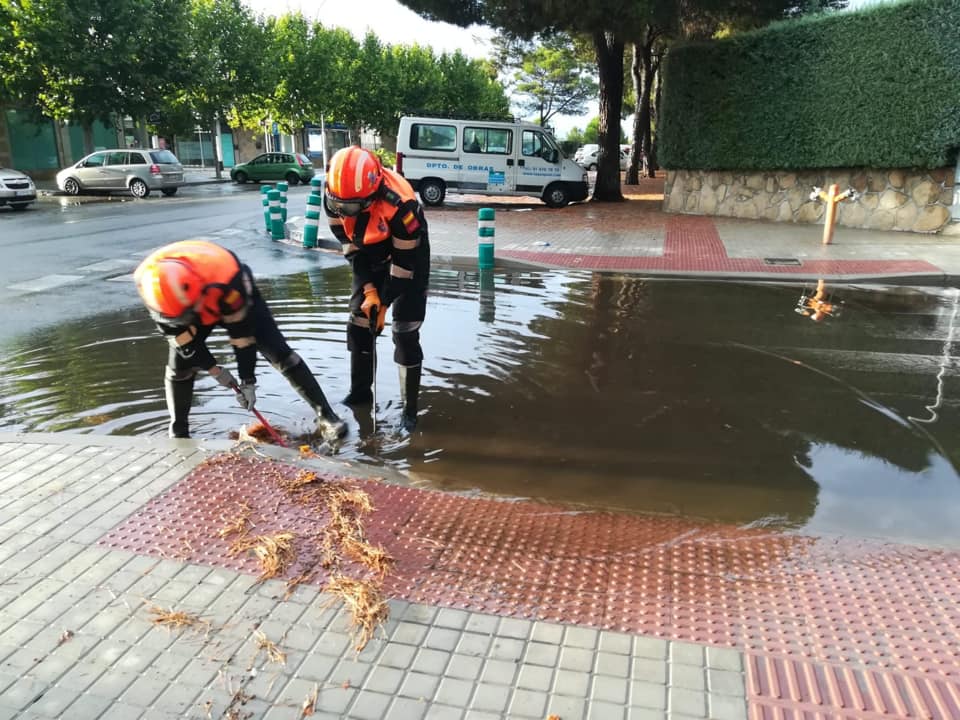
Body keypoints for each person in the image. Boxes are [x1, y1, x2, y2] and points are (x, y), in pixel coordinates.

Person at [134, 240, 347, 442]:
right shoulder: (152, 290)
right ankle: (178, 432)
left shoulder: (229, 278)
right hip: (184, 308)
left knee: (280, 353)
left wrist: (247, 381)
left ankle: (327, 416)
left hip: (228, 296)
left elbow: (242, 337)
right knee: (180, 367)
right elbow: (183, 343)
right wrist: (215, 371)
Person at [324, 146, 430, 431]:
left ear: (373, 195)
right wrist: (369, 291)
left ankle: (409, 411)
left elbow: (403, 269)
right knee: (359, 321)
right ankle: (360, 393)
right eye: (339, 206)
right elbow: (350, 248)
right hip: (367, 248)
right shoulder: (335, 195)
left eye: (350, 207)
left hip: (407, 251)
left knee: (404, 331)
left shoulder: (403, 208)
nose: (343, 211)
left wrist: (383, 302)